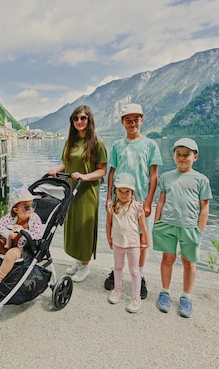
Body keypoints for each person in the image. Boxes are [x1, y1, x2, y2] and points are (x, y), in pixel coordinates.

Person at [104, 103, 162, 300]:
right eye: (128, 120)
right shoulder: (117, 145)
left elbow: (154, 176)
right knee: (119, 233)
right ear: (122, 122)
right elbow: (111, 172)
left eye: (136, 119)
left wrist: (148, 202)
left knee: (140, 239)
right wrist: (108, 198)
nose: (132, 123)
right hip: (119, 199)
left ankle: (140, 273)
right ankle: (116, 270)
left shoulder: (151, 145)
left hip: (139, 200)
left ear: (142, 120)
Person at [153, 138, 212, 318]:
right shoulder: (166, 177)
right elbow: (161, 201)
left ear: (195, 156)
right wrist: (156, 223)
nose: (182, 158)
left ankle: (186, 296)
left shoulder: (201, 180)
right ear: (173, 156)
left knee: (188, 262)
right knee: (167, 258)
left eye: (186, 155)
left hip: (189, 227)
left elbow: (204, 208)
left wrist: (199, 231)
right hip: (167, 224)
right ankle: (165, 292)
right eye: (178, 154)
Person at [48, 105, 107, 282]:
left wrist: (84, 176)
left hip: (87, 192)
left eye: (83, 118)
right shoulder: (70, 142)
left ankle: (86, 265)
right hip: (71, 190)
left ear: (89, 120)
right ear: (72, 121)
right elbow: (66, 164)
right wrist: (56, 171)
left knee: (85, 228)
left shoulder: (97, 142)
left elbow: (102, 170)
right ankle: (78, 261)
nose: (79, 122)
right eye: (76, 118)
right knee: (74, 226)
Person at [0, 184, 45, 302]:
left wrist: (24, 231)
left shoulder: (35, 219)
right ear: (16, 209)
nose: (31, 209)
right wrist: (8, 233)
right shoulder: (10, 217)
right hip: (8, 243)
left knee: (11, 254)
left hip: (22, 249)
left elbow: (38, 235)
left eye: (33, 205)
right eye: (26, 207)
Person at [105, 172, 149, 313]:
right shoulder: (112, 206)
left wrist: (146, 241)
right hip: (118, 243)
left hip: (133, 244)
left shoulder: (137, 207)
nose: (124, 195)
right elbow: (108, 223)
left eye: (127, 192)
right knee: (118, 267)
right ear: (115, 191)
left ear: (132, 191)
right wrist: (109, 237)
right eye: (120, 191)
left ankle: (136, 297)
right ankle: (117, 290)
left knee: (134, 271)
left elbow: (143, 226)